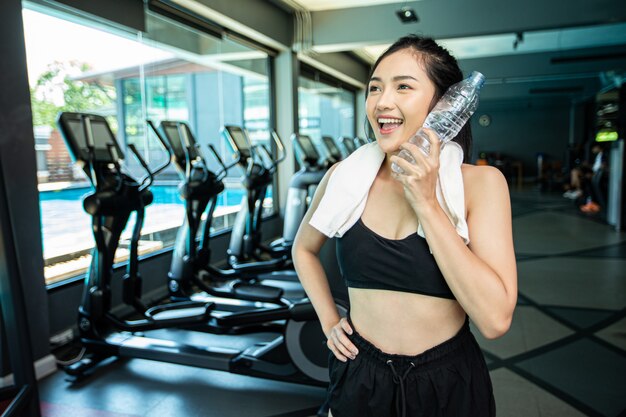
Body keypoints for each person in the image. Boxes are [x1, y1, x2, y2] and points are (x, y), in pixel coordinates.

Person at [292, 35, 517, 417]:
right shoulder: (343, 177)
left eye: (403, 87)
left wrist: (426, 202)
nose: (382, 102)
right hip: (360, 375)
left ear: (445, 104)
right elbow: (303, 248)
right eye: (375, 88)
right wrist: (330, 320)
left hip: (444, 382)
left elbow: (495, 320)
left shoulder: (481, 185)